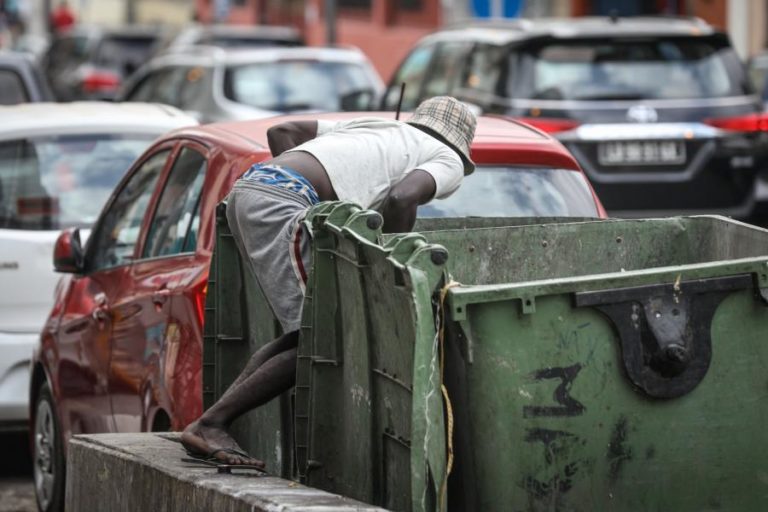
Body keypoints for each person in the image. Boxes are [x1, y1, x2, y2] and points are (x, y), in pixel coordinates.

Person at [181, 96, 477, 466]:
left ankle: (211, 422)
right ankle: (211, 423)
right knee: (321, 336)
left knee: (303, 332)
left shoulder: (374, 126)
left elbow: (282, 131)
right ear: (460, 145)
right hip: (282, 201)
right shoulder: (445, 157)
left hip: (252, 189)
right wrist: (389, 264)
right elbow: (403, 198)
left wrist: (312, 203)